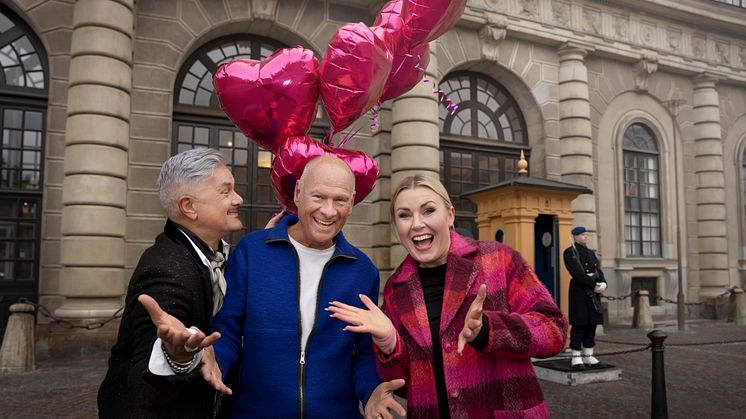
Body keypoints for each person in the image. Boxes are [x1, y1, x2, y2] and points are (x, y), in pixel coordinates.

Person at [142, 155, 404, 418]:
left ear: (352, 203)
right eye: (318, 197)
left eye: (340, 200)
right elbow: (228, 330)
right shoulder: (251, 251)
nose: (328, 211)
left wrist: (371, 392)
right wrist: (213, 359)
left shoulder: (363, 271)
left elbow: (362, 354)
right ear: (299, 193)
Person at [327, 175, 568, 418]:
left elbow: (555, 331)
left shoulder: (499, 259)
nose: (417, 224)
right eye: (404, 215)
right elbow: (403, 383)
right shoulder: (395, 289)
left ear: (450, 215)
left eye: (428, 210)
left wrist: (488, 330)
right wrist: (388, 342)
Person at [98, 148, 245, 418]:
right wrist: (175, 357)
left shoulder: (210, 252)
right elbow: (142, 388)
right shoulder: (165, 271)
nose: (238, 199)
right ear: (189, 206)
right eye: (225, 192)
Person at [562, 226, 607, 370]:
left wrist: (603, 283)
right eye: (582, 235)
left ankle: (589, 355)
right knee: (580, 324)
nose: (585, 237)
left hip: (593, 293)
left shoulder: (590, 253)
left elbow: (598, 269)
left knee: (592, 323)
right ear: (575, 237)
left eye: (586, 235)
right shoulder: (570, 253)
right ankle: (576, 357)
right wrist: (593, 284)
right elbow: (576, 272)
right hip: (580, 292)